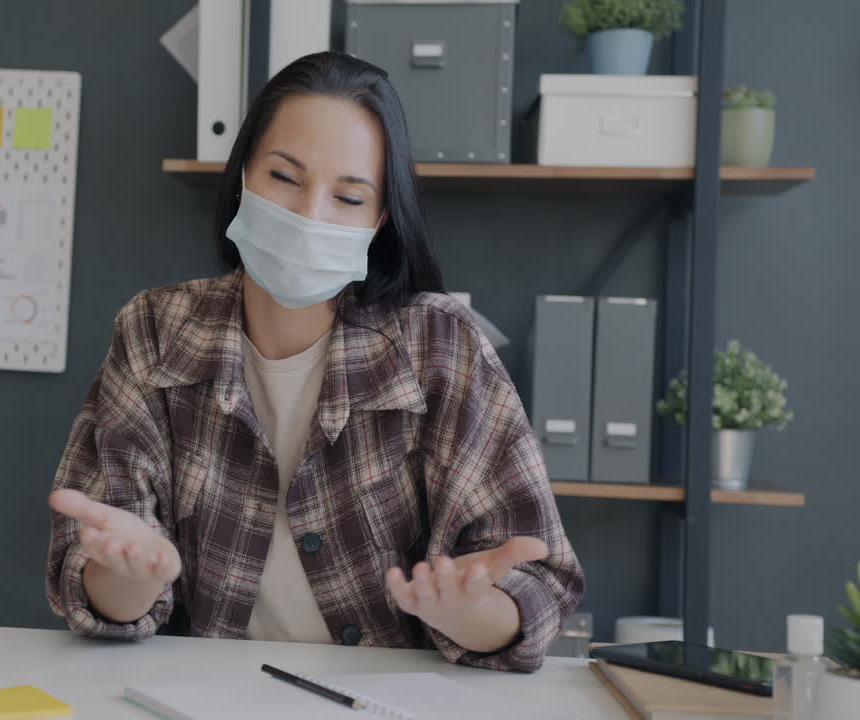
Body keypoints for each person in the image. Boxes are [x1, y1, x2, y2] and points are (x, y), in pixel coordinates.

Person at [46, 51, 584, 672]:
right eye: (284, 177)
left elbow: (539, 589)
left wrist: (463, 610)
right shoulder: (153, 330)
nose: (309, 216)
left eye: (348, 198)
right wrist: (133, 580)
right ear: (243, 173)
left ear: (380, 219)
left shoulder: (440, 345)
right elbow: (93, 579)